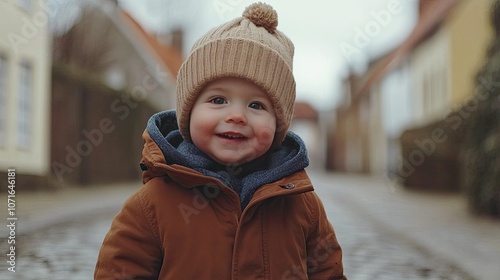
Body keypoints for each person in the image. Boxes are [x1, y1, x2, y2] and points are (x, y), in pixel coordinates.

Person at [94, 2, 346, 279]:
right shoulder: (153, 204)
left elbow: (327, 271)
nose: (237, 115)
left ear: (278, 125)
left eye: (257, 106)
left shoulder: (301, 205)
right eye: (218, 100)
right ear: (188, 114)